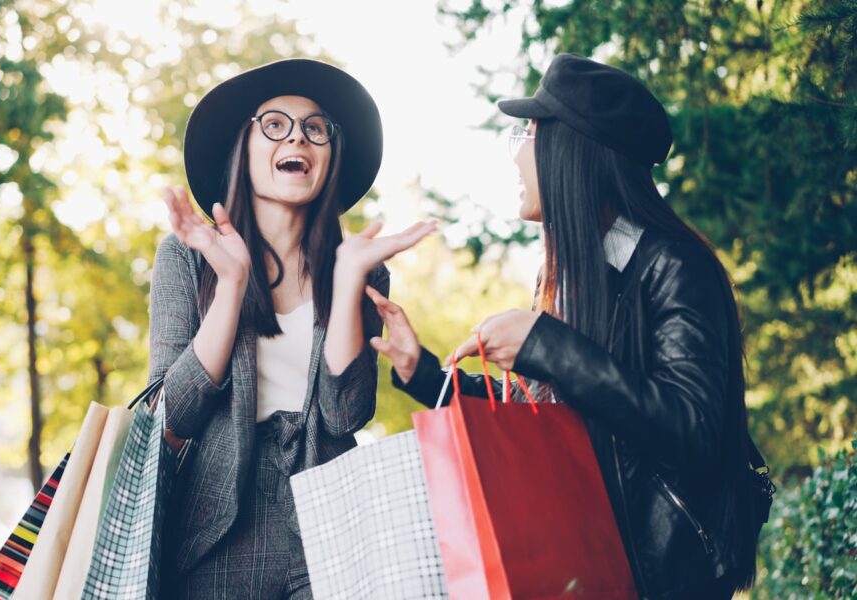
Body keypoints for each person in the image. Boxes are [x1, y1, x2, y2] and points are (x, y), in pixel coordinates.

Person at [367, 54, 764, 599]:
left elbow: (693, 429)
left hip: (662, 577)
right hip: (580, 567)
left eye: (529, 133)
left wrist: (548, 345)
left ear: (573, 150)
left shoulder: (674, 267)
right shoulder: (566, 279)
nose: (517, 156)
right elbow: (542, 417)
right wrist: (426, 375)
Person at [149, 59, 434, 598]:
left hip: (331, 527)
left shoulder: (362, 266)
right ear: (244, 146)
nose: (298, 137)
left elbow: (346, 414)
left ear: (329, 155)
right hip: (215, 533)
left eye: (316, 128)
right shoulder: (188, 258)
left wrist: (348, 281)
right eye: (275, 124)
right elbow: (173, 415)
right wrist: (231, 284)